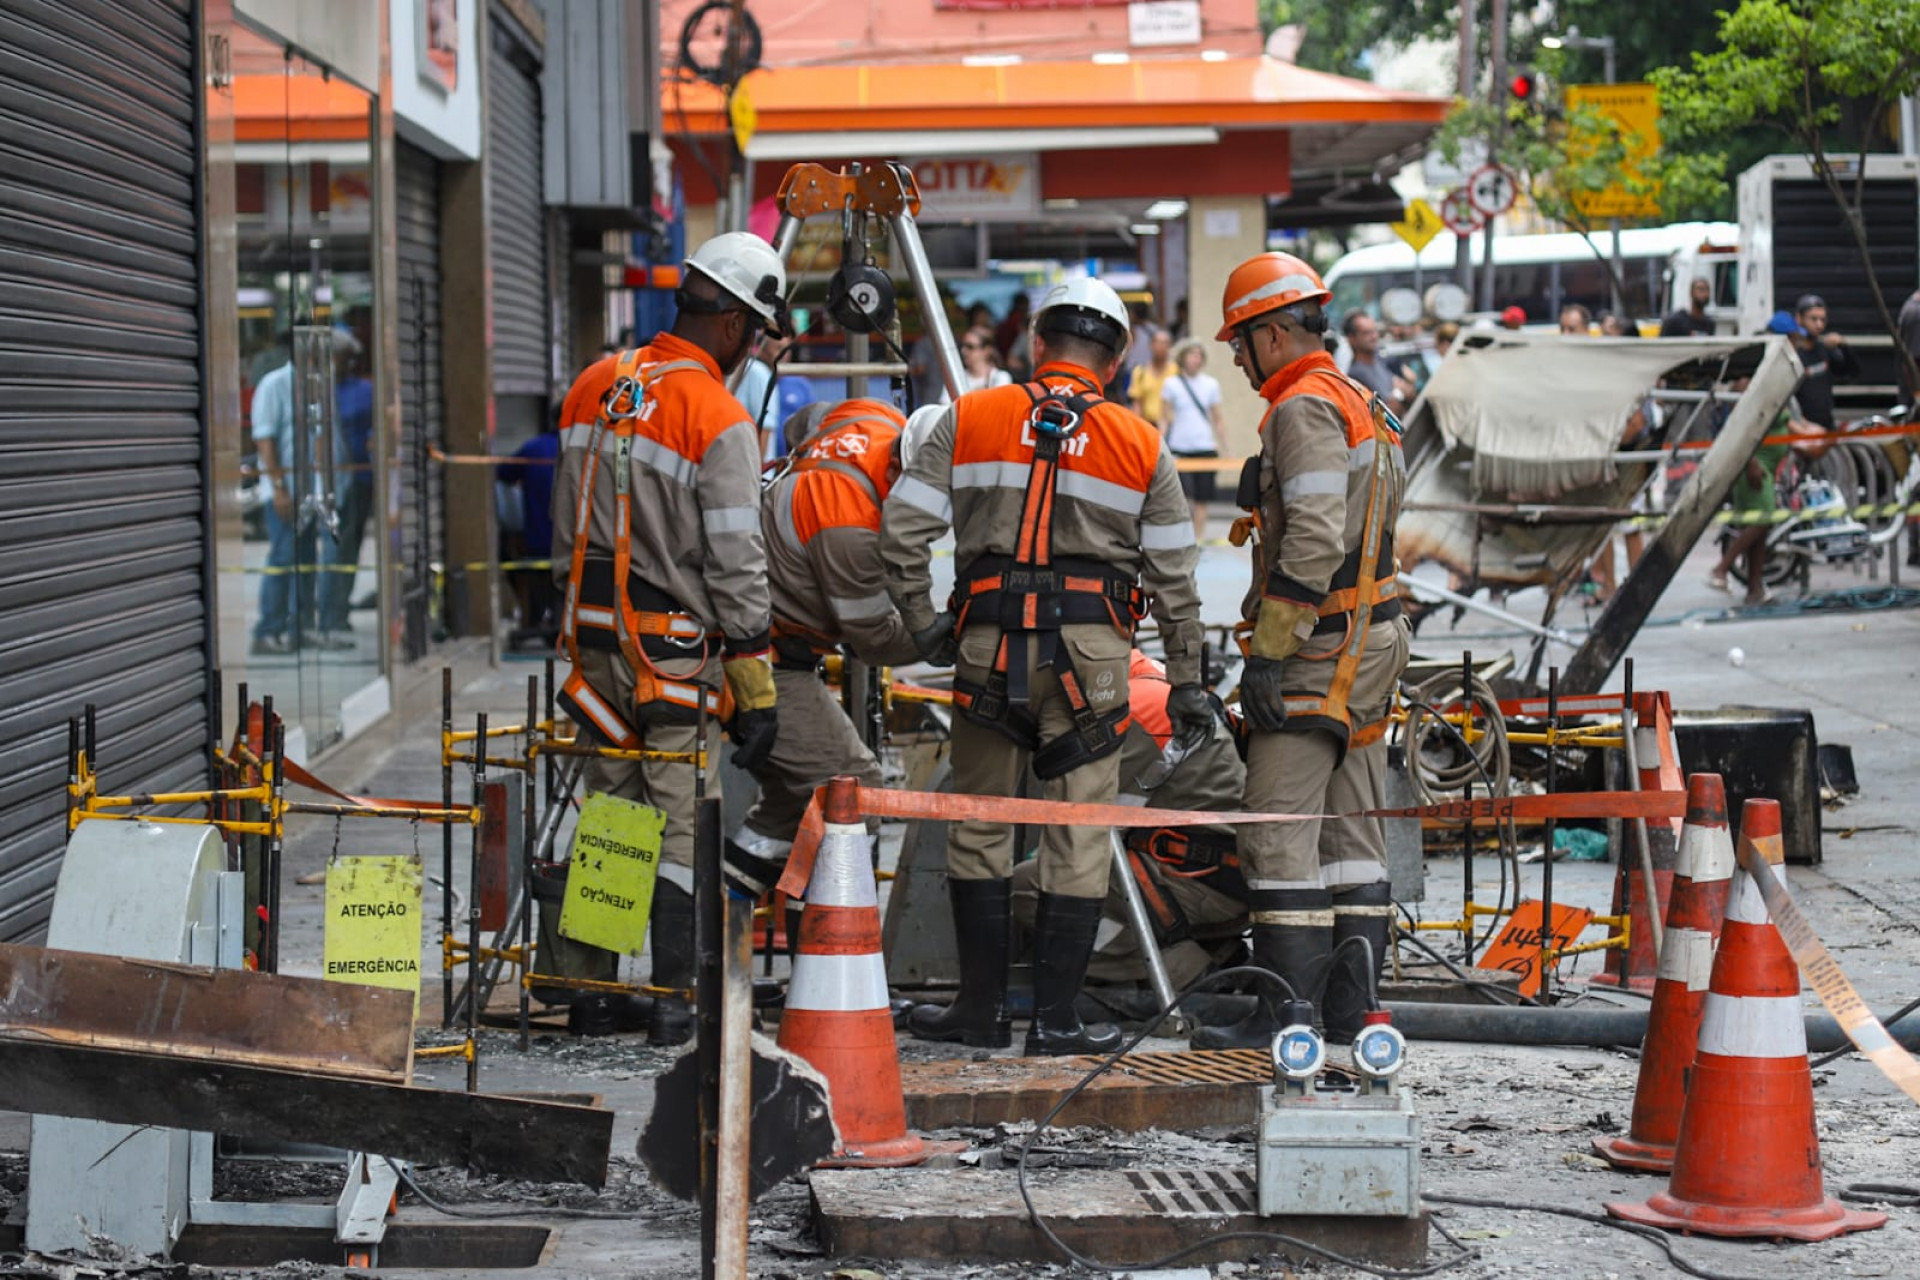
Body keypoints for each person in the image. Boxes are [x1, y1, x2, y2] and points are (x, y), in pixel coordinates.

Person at [882, 277, 1210, 1057]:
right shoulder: (1141, 444)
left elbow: (901, 536)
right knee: (1077, 832)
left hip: (989, 651)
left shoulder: (968, 419)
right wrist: (1190, 678)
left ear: (1036, 343)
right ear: (1120, 356)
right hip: (1090, 664)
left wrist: (927, 625)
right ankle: (1057, 1022)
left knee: (980, 825)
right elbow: (1175, 581)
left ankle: (980, 1012)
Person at [550, 231, 785, 1046]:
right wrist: (756, 687)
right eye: (755, 335)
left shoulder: (593, 384)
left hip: (591, 647)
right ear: (733, 328)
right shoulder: (716, 417)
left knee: (611, 809)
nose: (752, 350)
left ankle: (589, 995)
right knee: (681, 820)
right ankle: (676, 998)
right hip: (672, 656)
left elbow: (563, 525)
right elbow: (736, 561)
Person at [1201, 252, 1411, 1049]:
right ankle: (1349, 1014)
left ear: (1276, 333)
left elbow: (1318, 536)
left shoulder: (1303, 408)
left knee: (1275, 827)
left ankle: (1282, 1016)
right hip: (1371, 638)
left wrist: (1269, 654)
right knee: (1350, 830)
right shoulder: (1363, 400)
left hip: (1321, 646)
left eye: (1240, 343)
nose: (1237, 359)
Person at [721, 400, 947, 907]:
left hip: (674, 642)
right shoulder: (849, 526)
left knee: (788, 803)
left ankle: (711, 944)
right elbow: (873, 637)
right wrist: (942, 635)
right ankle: (829, 960)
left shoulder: (870, 415)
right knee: (851, 789)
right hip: (758, 654)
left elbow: (805, 422)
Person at [1011, 649, 1248, 988]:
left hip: (1199, 879)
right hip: (1224, 873)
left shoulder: (1133, 711)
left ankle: (1186, 970)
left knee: (1031, 886)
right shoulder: (1160, 686)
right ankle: (1219, 952)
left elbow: (1088, 830)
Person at [320, 318, 374, 644]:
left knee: (347, 550)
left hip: (358, 480)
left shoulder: (363, 392)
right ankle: (326, 615)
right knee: (331, 552)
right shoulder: (314, 391)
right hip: (327, 481)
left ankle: (338, 612)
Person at [1708, 405, 1793, 608]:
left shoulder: (1782, 397)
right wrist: (1751, 462)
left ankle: (1755, 590)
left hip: (1764, 471)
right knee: (1762, 522)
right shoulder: (1762, 397)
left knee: (1759, 535)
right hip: (1754, 472)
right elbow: (1742, 433)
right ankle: (1721, 569)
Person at [502, 404, 561, 647]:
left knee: (537, 581)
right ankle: (553, 623)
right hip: (578, 546)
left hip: (537, 543)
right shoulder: (591, 449)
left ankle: (538, 620)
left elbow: (502, 474)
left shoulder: (534, 448)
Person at [1161, 338, 1227, 537]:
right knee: (1184, 496)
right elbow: (1164, 417)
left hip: (1204, 445)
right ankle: (1186, 535)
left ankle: (1198, 539)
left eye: (1199, 355)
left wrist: (1226, 446)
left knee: (1202, 498)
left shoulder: (1211, 384)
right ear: (1182, 357)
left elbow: (1217, 418)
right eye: (1192, 354)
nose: (1195, 359)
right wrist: (1161, 444)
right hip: (1179, 446)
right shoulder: (1171, 384)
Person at [1789, 294, 1858, 430]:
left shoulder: (1825, 350)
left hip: (1826, 425)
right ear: (1799, 319)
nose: (1819, 325)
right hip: (1803, 428)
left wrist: (1844, 347)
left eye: (1823, 320)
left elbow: (1852, 373)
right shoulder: (1793, 355)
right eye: (1813, 319)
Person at [737, 330, 795, 460]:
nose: (784, 354)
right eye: (778, 348)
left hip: (757, 472)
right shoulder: (753, 372)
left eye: (787, 349)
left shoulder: (759, 373)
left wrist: (757, 474)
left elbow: (765, 430)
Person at [1342, 312, 1413, 415]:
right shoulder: (1355, 376)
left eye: (1375, 331)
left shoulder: (1381, 362)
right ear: (1352, 339)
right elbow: (1381, 416)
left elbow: (1408, 390)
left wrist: (1406, 390)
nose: (1374, 336)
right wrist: (1398, 396)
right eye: (1367, 333)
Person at [1127, 328, 1175, 426]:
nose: (1161, 347)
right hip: (1149, 425)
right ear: (1151, 345)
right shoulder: (1140, 371)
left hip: (1172, 427)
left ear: (1170, 346)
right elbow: (1137, 403)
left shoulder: (1177, 371)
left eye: (1165, 343)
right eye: (1158, 342)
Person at [953, 324, 1013, 397]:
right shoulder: (956, 378)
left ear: (987, 350)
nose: (963, 351)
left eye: (970, 347)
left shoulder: (1001, 377)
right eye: (962, 345)